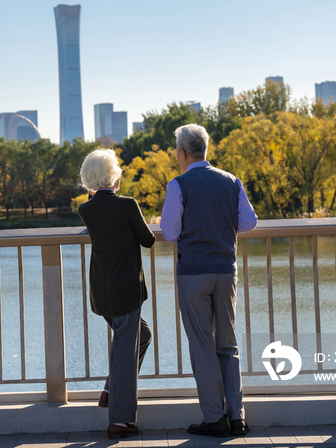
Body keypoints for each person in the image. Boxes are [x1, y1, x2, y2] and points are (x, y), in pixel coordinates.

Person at [160, 124, 258, 437]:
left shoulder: (179, 185)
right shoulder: (232, 181)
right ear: (206, 150)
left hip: (193, 273)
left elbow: (170, 233)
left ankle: (214, 417)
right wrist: (221, 228)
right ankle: (237, 417)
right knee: (228, 344)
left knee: (202, 344)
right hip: (226, 270)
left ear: (182, 153)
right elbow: (249, 221)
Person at [77, 149, 155, 439]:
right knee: (126, 349)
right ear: (115, 177)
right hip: (126, 289)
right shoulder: (127, 205)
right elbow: (148, 240)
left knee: (141, 337)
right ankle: (119, 421)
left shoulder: (86, 210)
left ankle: (111, 390)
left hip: (101, 291)